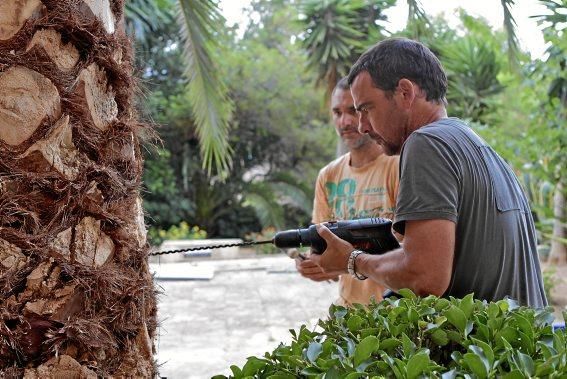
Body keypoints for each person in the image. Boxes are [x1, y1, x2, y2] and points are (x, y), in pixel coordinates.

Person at [309, 38, 547, 308]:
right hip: (518, 346)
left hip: (485, 346)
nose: (362, 126)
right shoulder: (481, 148)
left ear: (405, 92)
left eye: (366, 108)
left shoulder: (426, 143)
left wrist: (352, 261)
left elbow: (425, 276)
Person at [295, 77, 400, 307]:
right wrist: (313, 265)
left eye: (352, 110)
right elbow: (325, 254)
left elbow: (413, 254)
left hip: (395, 317)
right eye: (337, 112)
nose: (344, 121)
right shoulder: (328, 176)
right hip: (347, 315)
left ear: (366, 112)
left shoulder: (398, 166)